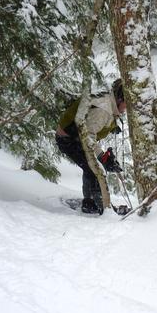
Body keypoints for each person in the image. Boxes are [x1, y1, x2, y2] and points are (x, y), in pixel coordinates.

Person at [56, 79, 126, 215]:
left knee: (92, 166)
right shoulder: (104, 110)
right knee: (95, 168)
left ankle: (91, 202)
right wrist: (103, 158)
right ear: (119, 98)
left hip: (75, 137)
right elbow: (88, 137)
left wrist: (105, 157)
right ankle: (98, 207)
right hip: (69, 139)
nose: (126, 109)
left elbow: (89, 134)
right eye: (126, 104)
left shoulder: (109, 104)